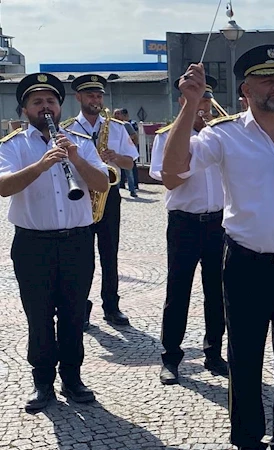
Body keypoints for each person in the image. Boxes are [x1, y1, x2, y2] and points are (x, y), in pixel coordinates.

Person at [162, 45, 274, 450]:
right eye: (267, 79)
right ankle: (247, 439)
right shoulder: (222, 135)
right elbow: (173, 174)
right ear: (245, 89)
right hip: (245, 262)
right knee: (244, 358)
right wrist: (189, 107)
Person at [0, 73, 109, 412]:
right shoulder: (14, 145)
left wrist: (75, 158)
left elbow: (102, 184)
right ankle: (42, 382)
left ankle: (73, 378)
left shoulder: (80, 141)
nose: (45, 107)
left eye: (50, 101)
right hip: (34, 245)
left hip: (76, 241)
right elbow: (3, 186)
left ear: (59, 107)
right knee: (39, 314)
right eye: (37, 102)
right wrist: (41, 164)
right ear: (25, 109)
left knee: (74, 314)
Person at [149, 74, 228, 384]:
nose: (204, 107)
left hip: (218, 223)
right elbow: (169, 177)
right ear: (183, 101)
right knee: (178, 291)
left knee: (217, 292)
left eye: (207, 101)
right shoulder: (166, 137)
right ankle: (171, 357)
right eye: (197, 100)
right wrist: (190, 162)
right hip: (184, 222)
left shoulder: (219, 137)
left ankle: (214, 352)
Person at [62, 74, 140, 329]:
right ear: (79, 98)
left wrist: (116, 156)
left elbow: (131, 163)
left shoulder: (115, 127)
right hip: (80, 194)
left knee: (110, 253)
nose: (95, 100)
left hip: (109, 196)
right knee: (81, 256)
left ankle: (111, 305)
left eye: (99, 96)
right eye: (90, 96)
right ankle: (80, 307)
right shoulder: (68, 128)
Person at [113, 108, 139, 197]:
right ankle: (115, 191)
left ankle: (132, 190)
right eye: (115, 114)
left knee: (129, 173)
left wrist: (132, 146)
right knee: (116, 172)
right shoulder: (111, 124)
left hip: (125, 152)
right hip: (115, 153)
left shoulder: (126, 125)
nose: (116, 115)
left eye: (118, 113)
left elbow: (134, 135)